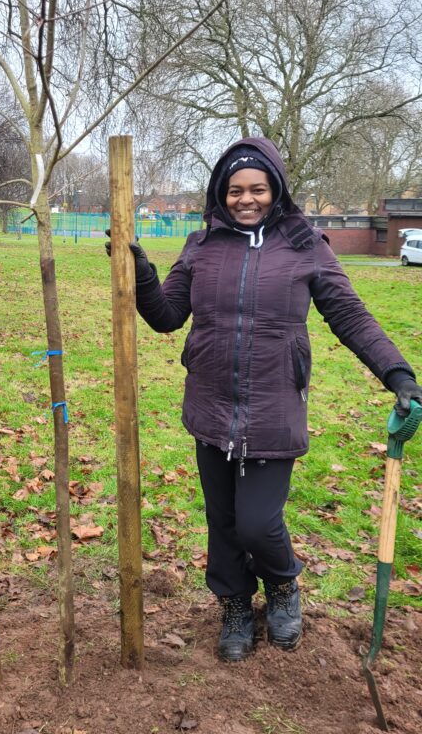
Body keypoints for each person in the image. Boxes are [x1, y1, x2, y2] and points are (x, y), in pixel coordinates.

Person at [121, 138, 422, 662]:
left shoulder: (305, 244)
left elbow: (350, 315)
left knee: (258, 522)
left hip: (273, 405)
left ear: (275, 189)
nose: (246, 199)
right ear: (221, 193)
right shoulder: (201, 245)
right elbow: (167, 315)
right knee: (223, 521)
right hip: (212, 403)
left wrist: (398, 375)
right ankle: (236, 604)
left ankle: (282, 585)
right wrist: (142, 274)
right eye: (235, 189)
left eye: (257, 188)